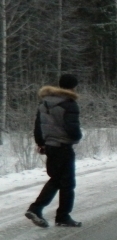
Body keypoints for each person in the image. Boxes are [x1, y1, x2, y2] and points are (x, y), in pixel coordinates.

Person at [25, 74, 83, 228]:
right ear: (73, 86)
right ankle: (58, 215)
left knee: (57, 179)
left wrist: (41, 143)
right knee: (67, 183)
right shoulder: (69, 104)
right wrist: (77, 137)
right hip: (63, 146)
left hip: (50, 146)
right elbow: (72, 128)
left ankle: (39, 210)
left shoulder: (44, 103)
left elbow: (38, 125)